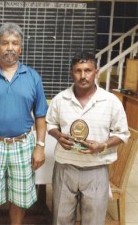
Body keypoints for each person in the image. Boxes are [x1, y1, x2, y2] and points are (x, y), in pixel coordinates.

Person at [0, 22, 48, 225]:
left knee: (19, 198)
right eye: (5, 43)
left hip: (23, 146)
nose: (10, 47)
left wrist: (40, 146)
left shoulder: (32, 77)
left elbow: (40, 115)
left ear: (20, 48)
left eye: (15, 43)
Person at [46, 51, 130, 225]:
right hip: (65, 167)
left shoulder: (110, 101)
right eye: (78, 70)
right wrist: (58, 135)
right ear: (71, 73)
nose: (83, 76)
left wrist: (103, 145)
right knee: (61, 219)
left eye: (88, 70)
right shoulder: (60, 99)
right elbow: (51, 124)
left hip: (96, 168)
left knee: (93, 221)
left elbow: (122, 134)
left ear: (96, 72)